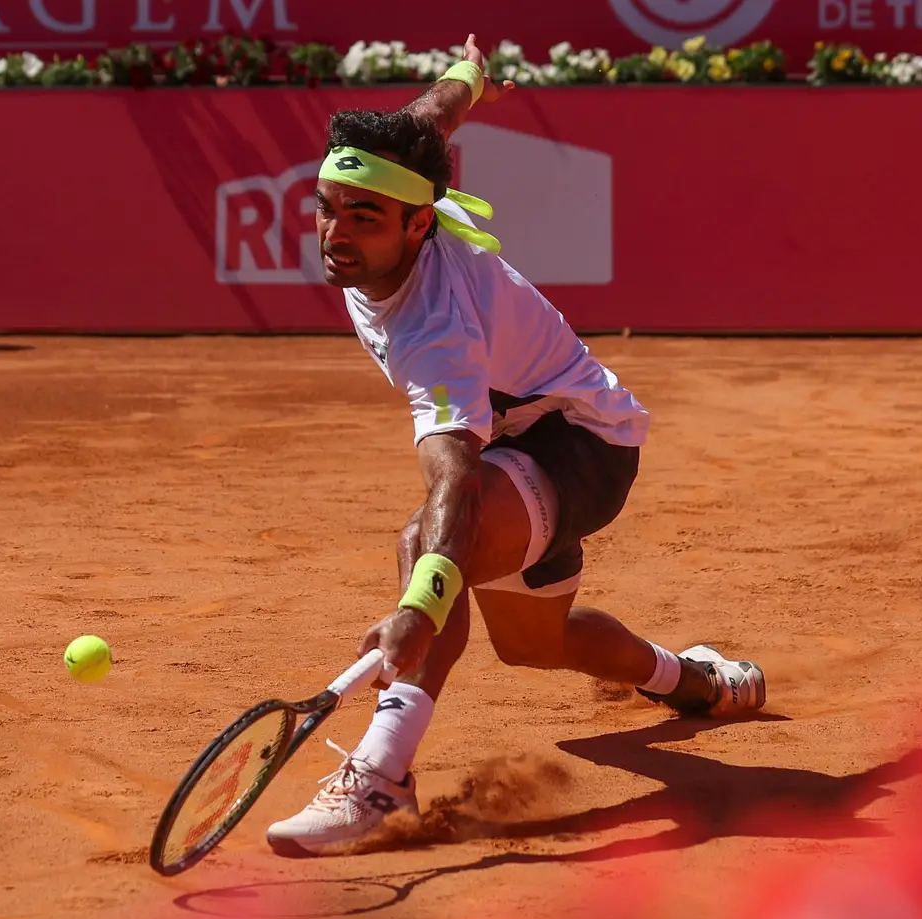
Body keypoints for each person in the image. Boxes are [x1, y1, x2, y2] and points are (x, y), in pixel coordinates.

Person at [265, 33, 767, 858]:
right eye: (327, 206)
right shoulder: (397, 184)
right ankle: (699, 680)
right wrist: (469, 76)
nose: (335, 232)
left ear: (419, 223)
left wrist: (417, 612)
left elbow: (455, 486)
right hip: (524, 446)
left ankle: (381, 777)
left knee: (426, 546)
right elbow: (430, 115)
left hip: (583, 445)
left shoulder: (438, 332)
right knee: (538, 645)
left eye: (363, 217)